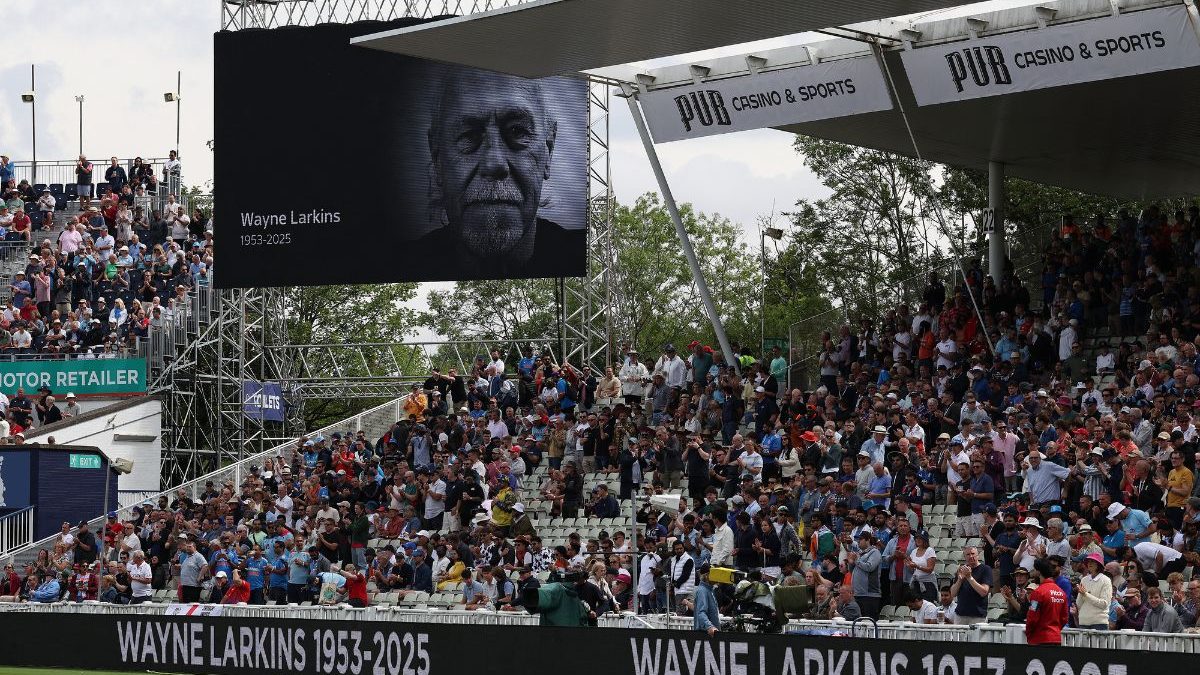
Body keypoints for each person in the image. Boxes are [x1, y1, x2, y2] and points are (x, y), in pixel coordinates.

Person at [414, 71, 584, 279]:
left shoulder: (580, 253)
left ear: (548, 151)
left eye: (517, 131)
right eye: (468, 135)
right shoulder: (399, 263)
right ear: (437, 156)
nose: (494, 163)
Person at [1025, 558, 1068, 645]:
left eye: (1034, 569)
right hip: (1056, 638)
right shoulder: (1061, 592)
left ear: (1039, 572)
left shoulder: (1038, 592)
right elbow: (1064, 618)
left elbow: (1032, 617)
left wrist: (1029, 633)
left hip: (1039, 639)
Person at [950, 546, 991, 625]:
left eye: (973, 554)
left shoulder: (985, 569)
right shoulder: (962, 569)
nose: (971, 556)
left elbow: (984, 592)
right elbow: (953, 593)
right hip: (960, 615)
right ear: (965, 557)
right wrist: (959, 580)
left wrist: (969, 577)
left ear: (978, 555)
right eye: (968, 554)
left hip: (978, 616)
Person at [849, 530, 881, 619]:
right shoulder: (860, 554)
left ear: (868, 540)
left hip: (869, 594)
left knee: (869, 621)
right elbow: (853, 571)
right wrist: (851, 563)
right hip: (857, 593)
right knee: (858, 621)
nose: (858, 541)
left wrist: (856, 560)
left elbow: (870, 567)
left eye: (861, 539)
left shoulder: (875, 552)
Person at [1076, 552, 1112, 630]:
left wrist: (1086, 594)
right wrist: (1081, 594)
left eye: (1093, 561)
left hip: (1099, 623)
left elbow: (1104, 604)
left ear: (1099, 564)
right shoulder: (1084, 580)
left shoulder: (1106, 580)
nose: (1090, 563)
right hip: (1083, 622)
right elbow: (1078, 604)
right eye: (1088, 561)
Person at [693, 563, 720, 636]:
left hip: (711, 633)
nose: (717, 576)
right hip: (705, 634)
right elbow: (701, 612)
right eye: (714, 573)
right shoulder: (702, 591)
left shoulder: (710, 590)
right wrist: (709, 626)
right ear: (706, 575)